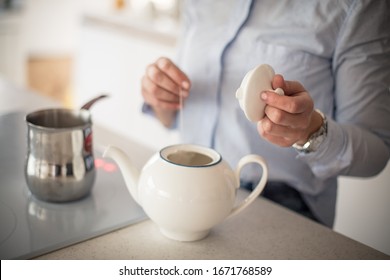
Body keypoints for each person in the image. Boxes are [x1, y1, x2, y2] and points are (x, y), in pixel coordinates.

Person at [140, 0, 390, 227]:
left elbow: (376, 153)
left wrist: (309, 130)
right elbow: (172, 117)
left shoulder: (354, 6)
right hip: (186, 190)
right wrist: (161, 96)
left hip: (279, 206)